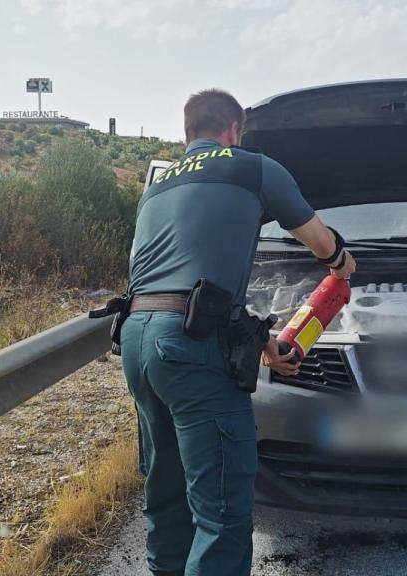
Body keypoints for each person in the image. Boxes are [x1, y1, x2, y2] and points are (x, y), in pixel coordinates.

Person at [121, 88, 355, 576]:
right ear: (233, 130)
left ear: (189, 132)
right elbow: (316, 239)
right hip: (189, 346)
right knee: (222, 515)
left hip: (139, 341)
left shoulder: (157, 188)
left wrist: (265, 345)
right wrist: (341, 262)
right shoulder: (252, 166)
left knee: (167, 498)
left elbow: (195, 283)